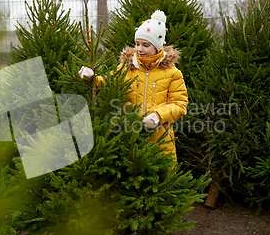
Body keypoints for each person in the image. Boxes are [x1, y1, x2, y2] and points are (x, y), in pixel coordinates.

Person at [79, 10, 188, 161]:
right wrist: (91, 79)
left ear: (157, 46)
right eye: (137, 44)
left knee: (163, 175)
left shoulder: (172, 73)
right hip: (129, 137)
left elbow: (179, 104)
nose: (139, 49)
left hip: (160, 138)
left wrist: (158, 115)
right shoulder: (127, 68)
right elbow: (107, 84)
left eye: (146, 45)